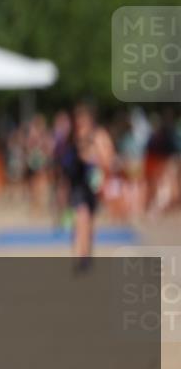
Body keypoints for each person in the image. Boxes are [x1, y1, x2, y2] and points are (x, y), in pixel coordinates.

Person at [66, 103, 115, 274]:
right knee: (80, 219)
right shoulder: (72, 136)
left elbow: (108, 159)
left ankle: (86, 255)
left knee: (89, 222)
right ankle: (79, 257)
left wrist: (93, 157)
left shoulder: (98, 136)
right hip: (77, 184)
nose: (80, 122)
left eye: (82, 119)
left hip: (92, 185)